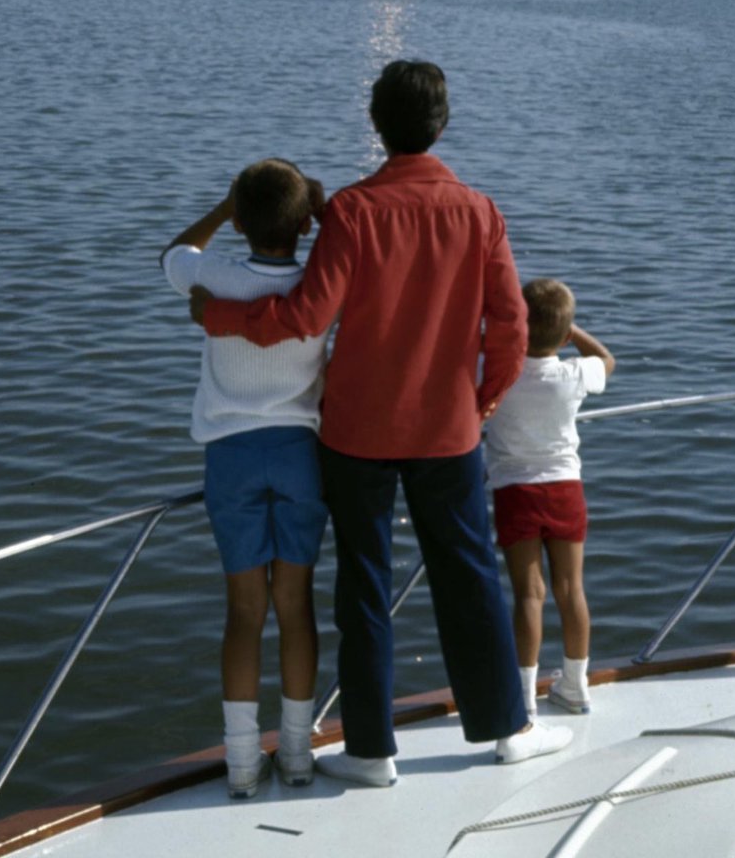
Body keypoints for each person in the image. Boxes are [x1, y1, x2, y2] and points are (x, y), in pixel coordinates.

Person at [191, 61, 572, 787]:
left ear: (377, 123)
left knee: (362, 585)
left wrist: (218, 314)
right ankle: (507, 728)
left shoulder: (352, 213)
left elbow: (305, 316)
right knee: (469, 579)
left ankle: (370, 749)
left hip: (356, 434)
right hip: (446, 432)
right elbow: (512, 328)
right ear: (442, 123)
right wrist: (482, 401)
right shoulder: (480, 211)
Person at [160, 158, 330, 799]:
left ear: (242, 217)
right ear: (302, 223)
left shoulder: (215, 276)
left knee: (243, 612)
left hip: (230, 456)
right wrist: (317, 214)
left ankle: (239, 764)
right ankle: (296, 754)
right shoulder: (320, 281)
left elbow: (172, 254)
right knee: (296, 608)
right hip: (299, 455)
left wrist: (221, 210)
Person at [485, 278, 615, 719]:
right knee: (570, 588)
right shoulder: (573, 373)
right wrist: (570, 331)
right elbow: (606, 361)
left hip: (515, 490)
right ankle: (575, 685)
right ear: (562, 336)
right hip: (565, 488)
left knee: (529, 594)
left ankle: (523, 696)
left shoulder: (502, 372)